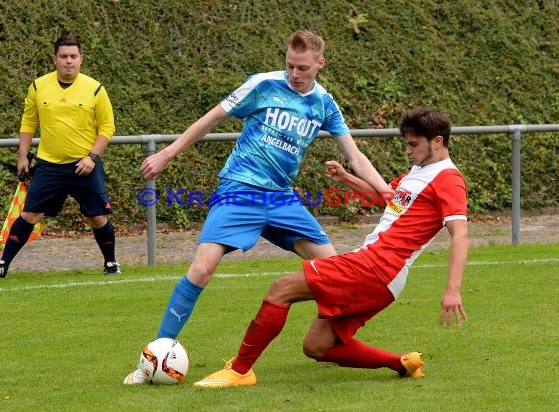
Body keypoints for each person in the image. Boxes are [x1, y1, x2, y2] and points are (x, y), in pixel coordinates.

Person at [123, 29, 389, 384]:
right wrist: (167, 153)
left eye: (303, 68)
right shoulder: (263, 84)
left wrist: (386, 191)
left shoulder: (324, 103)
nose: (295, 74)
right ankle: (156, 356)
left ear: (320, 64)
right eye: (290, 65)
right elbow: (212, 117)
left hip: (281, 197)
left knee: (334, 272)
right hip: (239, 189)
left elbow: (354, 154)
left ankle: (334, 344)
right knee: (202, 269)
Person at [193, 106, 469, 387]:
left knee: (281, 289)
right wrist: (346, 178)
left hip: (378, 267)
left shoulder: (448, 179)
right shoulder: (419, 172)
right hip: (381, 274)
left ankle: (240, 371)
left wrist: (452, 290)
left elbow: (460, 234)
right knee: (317, 346)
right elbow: (390, 201)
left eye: (414, 145)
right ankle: (401, 363)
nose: (408, 151)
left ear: (437, 141)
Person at [0, 32, 120, 280]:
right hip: (49, 165)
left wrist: (91, 157)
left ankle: (111, 262)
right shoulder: (39, 86)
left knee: (97, 218)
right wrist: (23, 156)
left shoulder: (95, 89)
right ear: (55, 59)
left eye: (73, 56)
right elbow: (28, 122)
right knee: (29, 215)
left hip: (84, 166)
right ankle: (2, 264)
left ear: (81, 59)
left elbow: (107, 128)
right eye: (63, 56)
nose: (68, 61)